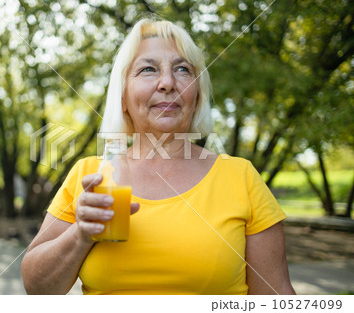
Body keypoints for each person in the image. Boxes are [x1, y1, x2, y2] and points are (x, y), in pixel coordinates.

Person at [21, 17, 295, 295]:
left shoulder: (241, 177)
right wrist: (79, 234)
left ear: (197, 95)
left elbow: (276, 297)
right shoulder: (90, 174)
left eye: (182, 70)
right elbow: (37, 288)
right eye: (148, 69)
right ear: (123, 98)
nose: (167, 82)